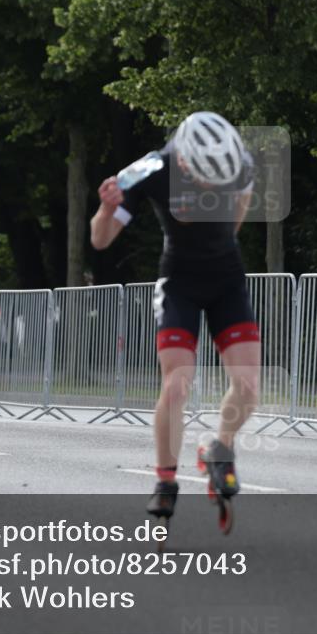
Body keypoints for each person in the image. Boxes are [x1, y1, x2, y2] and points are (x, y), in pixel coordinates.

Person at [90, 111, 261, 519]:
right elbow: (100, 239)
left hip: (226, 279)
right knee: (176, 386)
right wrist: (104, 209)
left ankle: (219, 447)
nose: (209, 186)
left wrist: (216, 249)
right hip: (179, 281)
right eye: (202, 178)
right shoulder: (147, 170)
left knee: (249, 387)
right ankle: (166, 480)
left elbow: (236, 216)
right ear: (182, 161)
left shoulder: (240, 162)